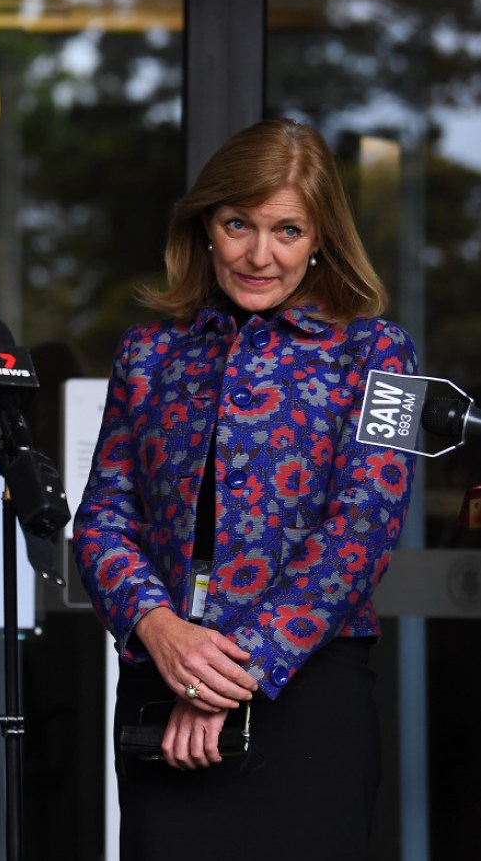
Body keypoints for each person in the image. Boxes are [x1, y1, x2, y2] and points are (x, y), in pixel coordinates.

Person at [72, 118, 417, 861]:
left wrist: (227, 675)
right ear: (204, 226)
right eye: (238, 224)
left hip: (307, 698)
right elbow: (100, 520)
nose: (259, 255)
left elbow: (363, 532)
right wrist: (161, 632)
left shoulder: (383, 352)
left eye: (286, 231)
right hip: (159, 684)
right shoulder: (148, 351)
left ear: (319, 236)